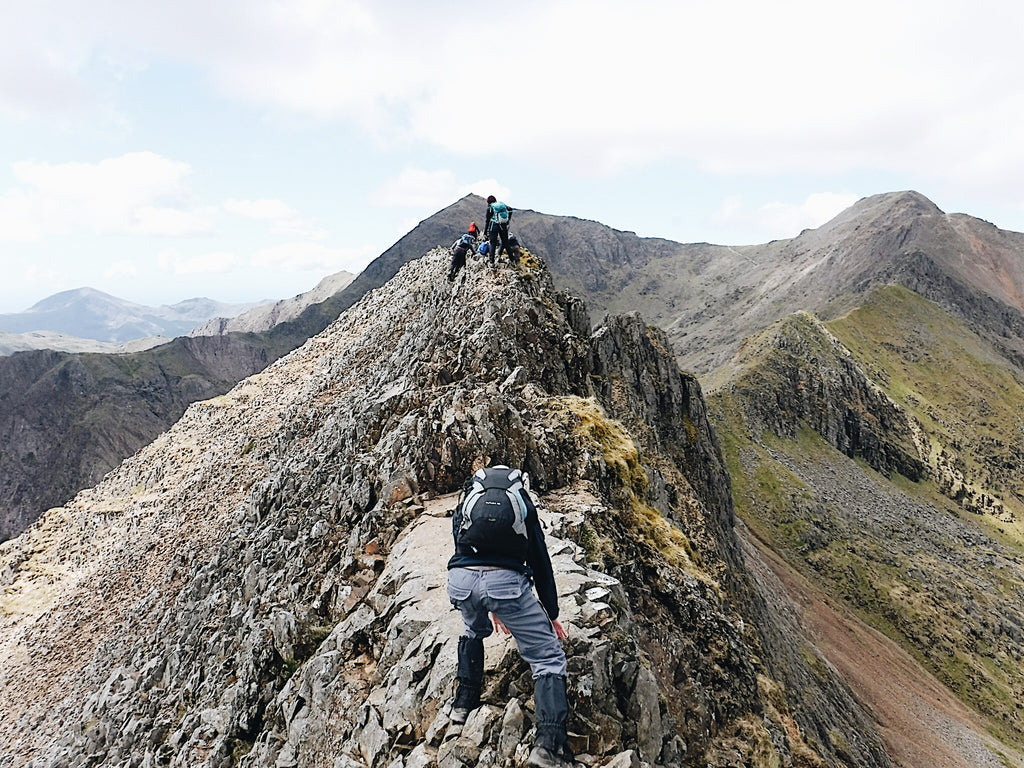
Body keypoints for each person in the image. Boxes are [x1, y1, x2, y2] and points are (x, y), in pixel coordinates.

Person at [447, 465, 577, 768]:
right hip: (505, 585)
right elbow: (540, 559)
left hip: (460, 581)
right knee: (547, 658)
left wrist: (488, 602)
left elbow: (461, 544)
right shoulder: (522, 502)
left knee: (471, 629)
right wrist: (551, 612)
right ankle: (549, 745)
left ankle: (462, 707)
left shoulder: (469, 497)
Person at [484, 195, 518, 265]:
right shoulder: (502, 205)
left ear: (488, 202)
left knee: (492, 243)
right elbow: (510, 209)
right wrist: (508, 220)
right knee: (505, 242)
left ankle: (491, 262)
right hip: (503, 226)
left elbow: (487, 221)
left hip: (494, 226)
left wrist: (485, 232)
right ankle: (512, 260)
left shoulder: (490, 208)